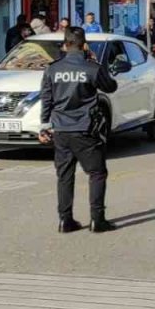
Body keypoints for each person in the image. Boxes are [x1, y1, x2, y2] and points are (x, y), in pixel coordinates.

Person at [39, 26, 119, 233]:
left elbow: (46, 99)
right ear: (84, 45)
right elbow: (111, 86)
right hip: (86, 129)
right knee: (97, 173)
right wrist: (96, 62)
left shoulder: (52, 69)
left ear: (65, 45)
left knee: (65, 176)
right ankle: (97, 219)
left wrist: (44, 126)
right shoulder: (91, 68)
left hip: (61, 131)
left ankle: (65, 220)